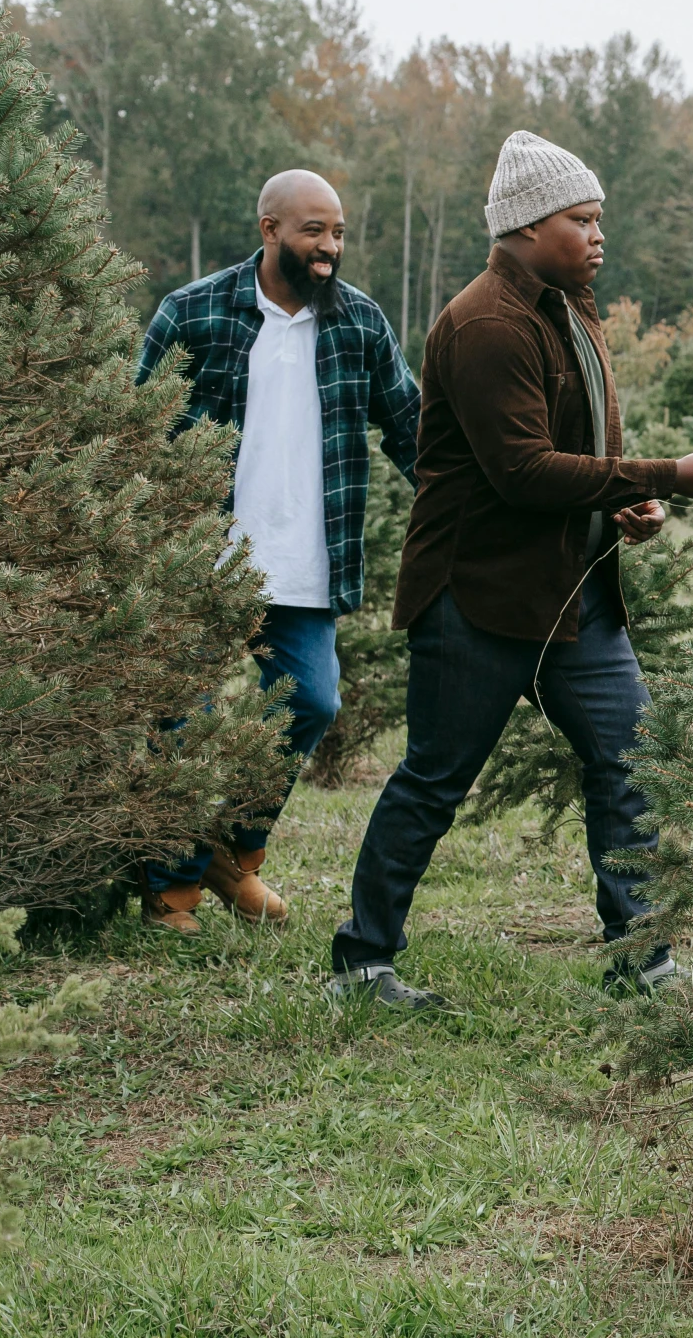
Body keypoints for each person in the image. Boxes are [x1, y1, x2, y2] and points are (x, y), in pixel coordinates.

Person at [327, 131, 693, 1009]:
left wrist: (621, 503)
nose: (599, 236)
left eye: (599, 219)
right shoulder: (487, 322)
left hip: (573, 593)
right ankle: (364, 961)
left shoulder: (570, 304)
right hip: (477, 594)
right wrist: (669, 474)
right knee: (435, 778)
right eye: (581, 219)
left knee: (631, 758)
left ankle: (643, 955)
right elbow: (521, 468)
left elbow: (577, 441)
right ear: (525, 225)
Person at [135, 170, 419, 935]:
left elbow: (412, 429)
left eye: (338, 233)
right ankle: (171, 888)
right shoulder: (191, 313)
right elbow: (135, 432)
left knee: (312, 700)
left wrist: (489, 499)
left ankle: (234, 850)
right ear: (269, 230)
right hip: (200, 561)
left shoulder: (358, 322)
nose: (328, 247)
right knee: (184, 723)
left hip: (305, 563)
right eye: (312, 231)